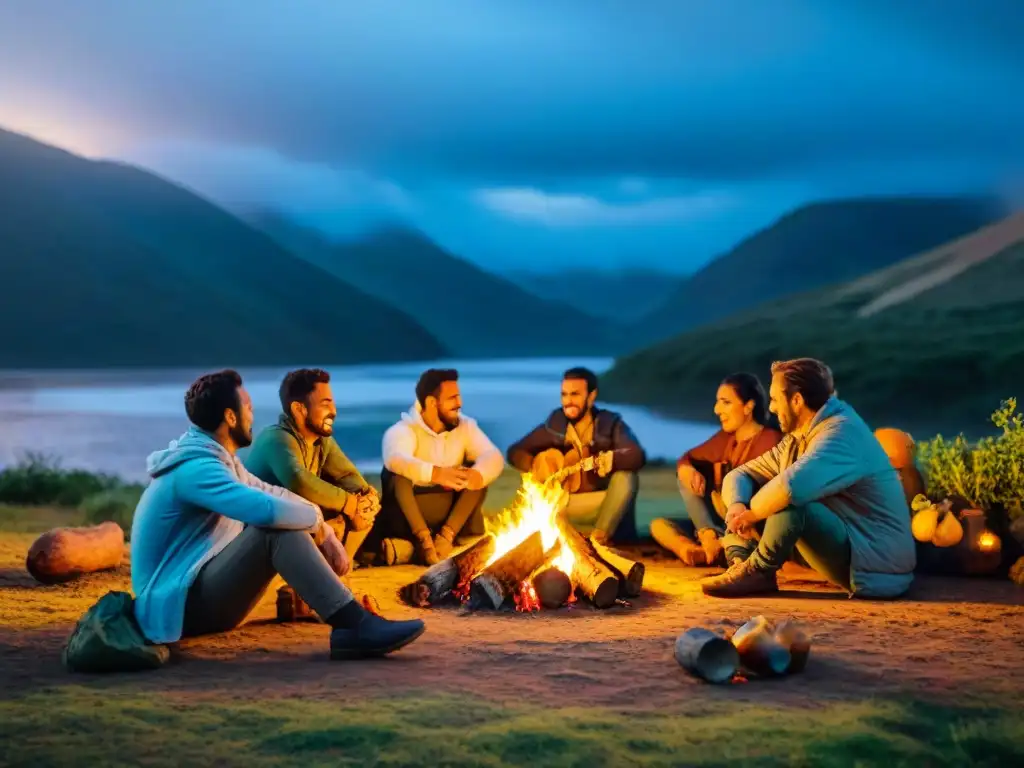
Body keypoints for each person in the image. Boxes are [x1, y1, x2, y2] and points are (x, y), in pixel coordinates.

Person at [130, 369, 425, 659]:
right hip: (177, 607)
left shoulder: (218, 460)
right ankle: (353, 625)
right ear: (230, 417)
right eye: (247, 407)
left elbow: (273, 493)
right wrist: (321, 530)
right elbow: (267, 510)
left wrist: (322, 524)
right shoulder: (197, 470)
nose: (252, 415)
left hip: (192, 592)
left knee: (284, 519)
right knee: (272, 530)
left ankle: (351, 621)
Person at [700, 358, 916, 599]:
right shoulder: (798, 437)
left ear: (797, 400)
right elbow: (740, 474)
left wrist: (750, 516)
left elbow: (790, 488)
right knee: (742, 495)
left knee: (789, 504)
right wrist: (738, 507)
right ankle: (741, 561)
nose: (770, 408)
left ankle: (758, 571)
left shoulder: (840, 433)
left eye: (774, 399)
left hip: (876, 565)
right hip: (846, 545)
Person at [246, 368, 380, 562]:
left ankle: (337, 568)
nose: (333, 412)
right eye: (325, 404)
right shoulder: (275, 439)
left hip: (303, 522)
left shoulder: (321, 440)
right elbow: (299, 481)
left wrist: (366, 499)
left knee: (369, 495)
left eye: (332, 404)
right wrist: (350, 505)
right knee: (337, 510)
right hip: (264, 534)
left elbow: (347, 475)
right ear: (299, 409)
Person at [652, 373, 782, 566]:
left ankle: (719, 547)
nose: (717, 409)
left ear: (748, 406)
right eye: (717, 402)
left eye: (725, 402)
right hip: (721, 524)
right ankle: (699, 546)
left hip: (750, 526)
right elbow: (689, 457)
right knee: (660, 525)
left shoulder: (770, 440)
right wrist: (686, 469)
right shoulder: (726, 438)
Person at [378, 368, 504, 565]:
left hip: (450, 518)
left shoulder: (465, 427)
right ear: (431, 402)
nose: (459, 404)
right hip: (409, 519)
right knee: (396, 475)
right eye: (452, 398)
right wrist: (436, 474)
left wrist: (476, 475)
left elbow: (493, 456)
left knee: (476, 471)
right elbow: (395, 459)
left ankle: (443, 539)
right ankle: (424, 543)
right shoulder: (403, 430)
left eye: (459, 397)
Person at [506, 366, 646, 543]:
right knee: (534, 497)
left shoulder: (610, 424)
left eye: (575, 394)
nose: (568, 401)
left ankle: (599, 539)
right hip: (562, 505)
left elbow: (636, 455)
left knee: (627, 477)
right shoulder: (555, 426)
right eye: (564, 395)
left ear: (592, 395)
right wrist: (538, 465)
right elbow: (515, 451)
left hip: (602, 505)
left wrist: (605, 460)